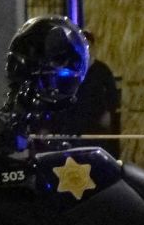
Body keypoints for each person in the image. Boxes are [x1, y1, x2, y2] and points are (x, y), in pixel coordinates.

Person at [45, 29, 121, 158]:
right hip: (73, 125)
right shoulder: (68, 70)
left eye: (88, 46)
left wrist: (108, 113)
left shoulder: (102, 70)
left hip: (95, 126)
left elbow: (112, 95)